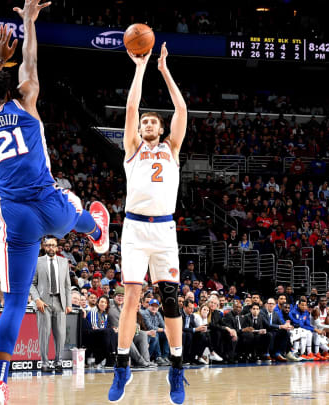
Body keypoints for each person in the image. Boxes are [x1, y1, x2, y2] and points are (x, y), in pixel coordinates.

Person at [0, 9, 111, 403]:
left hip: (16, 217)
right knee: (73, 213)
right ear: (10, 93)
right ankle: (96, 228)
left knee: (13, 303)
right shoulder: (27, 102)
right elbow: (31, 60)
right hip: (51, 205)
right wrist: (29, 20)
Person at [109, 39, 188, 405]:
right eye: (144, 122)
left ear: (162, 128)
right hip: (135, 229)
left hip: (164, 230)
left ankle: (176, 366)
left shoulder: (172, 149)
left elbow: (182, 107)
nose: (147, 124)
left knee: (170, 299)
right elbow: (130, 105)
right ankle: (121, 366)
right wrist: (139, 68)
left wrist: (164, 70)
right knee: (131, 297)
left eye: (153, 121)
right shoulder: (132, 149)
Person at [30, 237, 72, 373]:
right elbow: (31, 283)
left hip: (60, 302)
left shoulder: (64, 261)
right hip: (44, 302)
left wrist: (69, 303)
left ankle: (58, 361)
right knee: (44, 334)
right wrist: (37, 299)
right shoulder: (37, 261)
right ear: (44, 247)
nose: (51, 248)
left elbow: (67, 285)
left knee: (60, 335)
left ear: (57, 247)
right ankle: (44, 362)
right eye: (48, 245)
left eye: (53, 245)